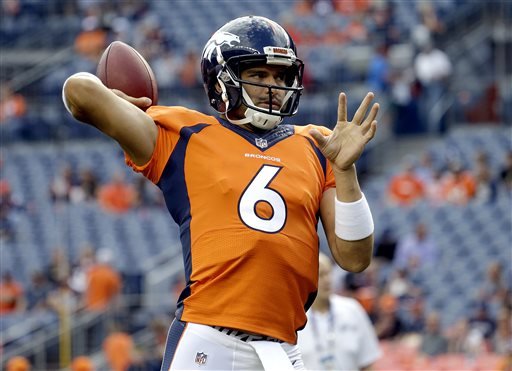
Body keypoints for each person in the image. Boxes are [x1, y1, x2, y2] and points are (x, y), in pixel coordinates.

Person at [62, 15, 378, 370]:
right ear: (222, 79)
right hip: (209, 340)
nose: (272, 86)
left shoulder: (317, 145)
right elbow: (80, 91)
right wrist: (122, 100)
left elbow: (355, 258)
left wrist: (345, 170)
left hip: (283, 348)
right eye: (258, 75)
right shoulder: (187, 135)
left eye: (280, 76)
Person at [298, 252, 381, 370]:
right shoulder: (295, 318)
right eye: (320, 275)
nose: (327, 280)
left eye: (328, 273)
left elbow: (368, 362)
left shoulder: (352, 309)